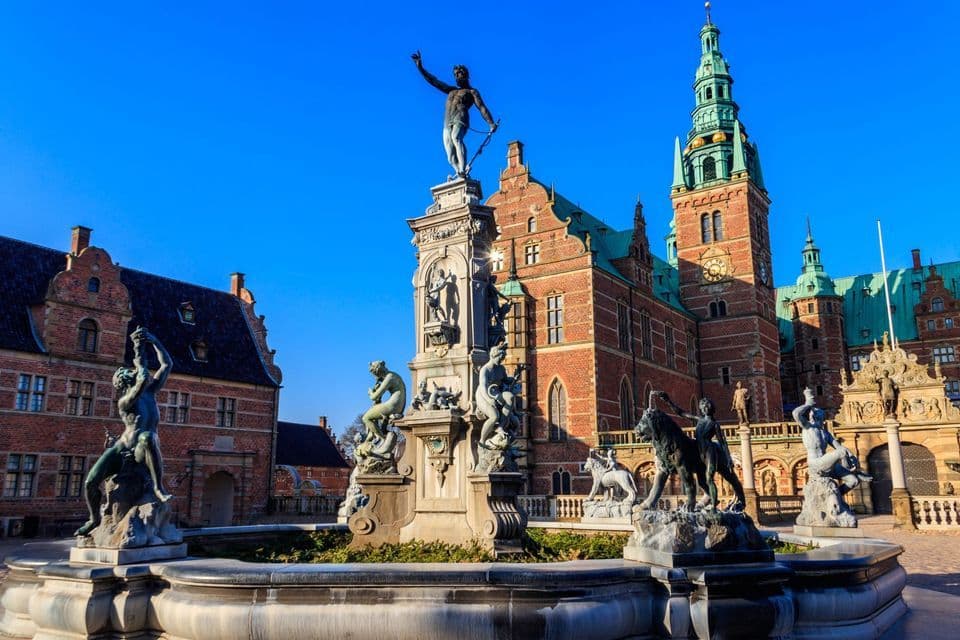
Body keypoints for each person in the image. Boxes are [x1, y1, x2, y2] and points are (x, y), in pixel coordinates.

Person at [75, 327, 173, 536]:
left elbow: (167, 364)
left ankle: (158, 487)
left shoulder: (151, 392)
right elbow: (140, 382)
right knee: (90, 481)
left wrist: (153, 339)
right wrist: (139, 352)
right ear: (123, 381)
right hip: (123, 449)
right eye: (128, 372)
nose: (133, 371)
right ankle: (94, 519)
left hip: (142, 448)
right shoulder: (126, 401)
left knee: (148, 437)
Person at [411, 51, 498, 177]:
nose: (457, 76)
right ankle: (459, 173)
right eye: (455, 74)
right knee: (450, 156)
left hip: (460, 117)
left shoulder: (472, 92)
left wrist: (491, 123)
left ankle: (462, 168)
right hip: (447, 120)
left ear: (466, 75)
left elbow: (482, 108)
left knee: (456, 138)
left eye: (460, 73)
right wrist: (420, 67)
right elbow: (433, 81)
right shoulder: (451, 90)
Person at [659, 392, 746, 511]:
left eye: (707, 406)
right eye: (703, 407)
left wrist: (728, 459)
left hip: (709, 451)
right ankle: (711, 499)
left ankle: (717, 506)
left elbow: (723, 442)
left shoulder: (714, 424)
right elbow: (681, 413)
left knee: (710, 478)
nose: (705, 409)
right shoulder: (699, 419)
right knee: (701, 481)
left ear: (711, 408)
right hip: (697, 449)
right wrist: (668, 401)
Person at [794, 387, 871, 494]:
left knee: (853, 481)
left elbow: (840, 448)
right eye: (819, 416)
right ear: (813, 417)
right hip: (815, 463)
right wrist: (808, 404)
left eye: (822, 416)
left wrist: (854, 462)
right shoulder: (808, 427)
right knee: (842, 452)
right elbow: (796, 413)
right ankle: (850, 472)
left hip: (826, 463)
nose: (821, 418)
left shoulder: (825, 433)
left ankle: (833, 496)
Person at [476, 343, 523, 446]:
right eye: (500, 357)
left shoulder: (500, 369)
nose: (502, 360)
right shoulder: (485, 370)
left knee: (510, 397)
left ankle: (500, 426)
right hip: (483, 395)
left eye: (503, 358)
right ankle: (482, 441)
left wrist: (515, 377)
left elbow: (506, 380)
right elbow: (483, 387)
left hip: (496, 392)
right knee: (494, 416)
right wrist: (489, 400)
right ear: (494, 356)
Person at [362, 361, 406, 442]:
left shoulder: (389, 377)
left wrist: (371, 392)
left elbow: (374, 397)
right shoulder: (392, 375)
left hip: (393, 406)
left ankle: (383, 439)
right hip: (398, 405)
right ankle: (378, 433)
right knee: (374, 409)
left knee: (366, 418)